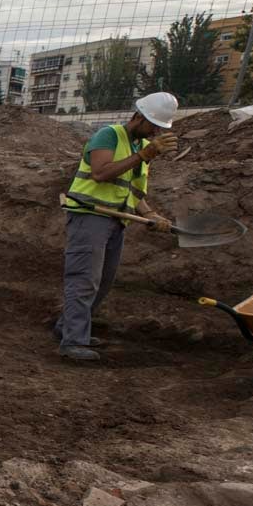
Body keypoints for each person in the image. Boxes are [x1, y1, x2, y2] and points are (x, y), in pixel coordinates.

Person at [54, 92, 178, 361]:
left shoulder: (140, 147)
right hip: (90, 215)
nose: (156, 132)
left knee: (103, 281)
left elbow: (131, 191)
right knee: (84, 280)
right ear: (139, 117)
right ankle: (73, 342)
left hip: (116, 220)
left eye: (160, 128)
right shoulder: (109, 135)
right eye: (153, 125)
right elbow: (100, 173)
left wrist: (151, 214)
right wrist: (143, 155)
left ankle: (69, 328)